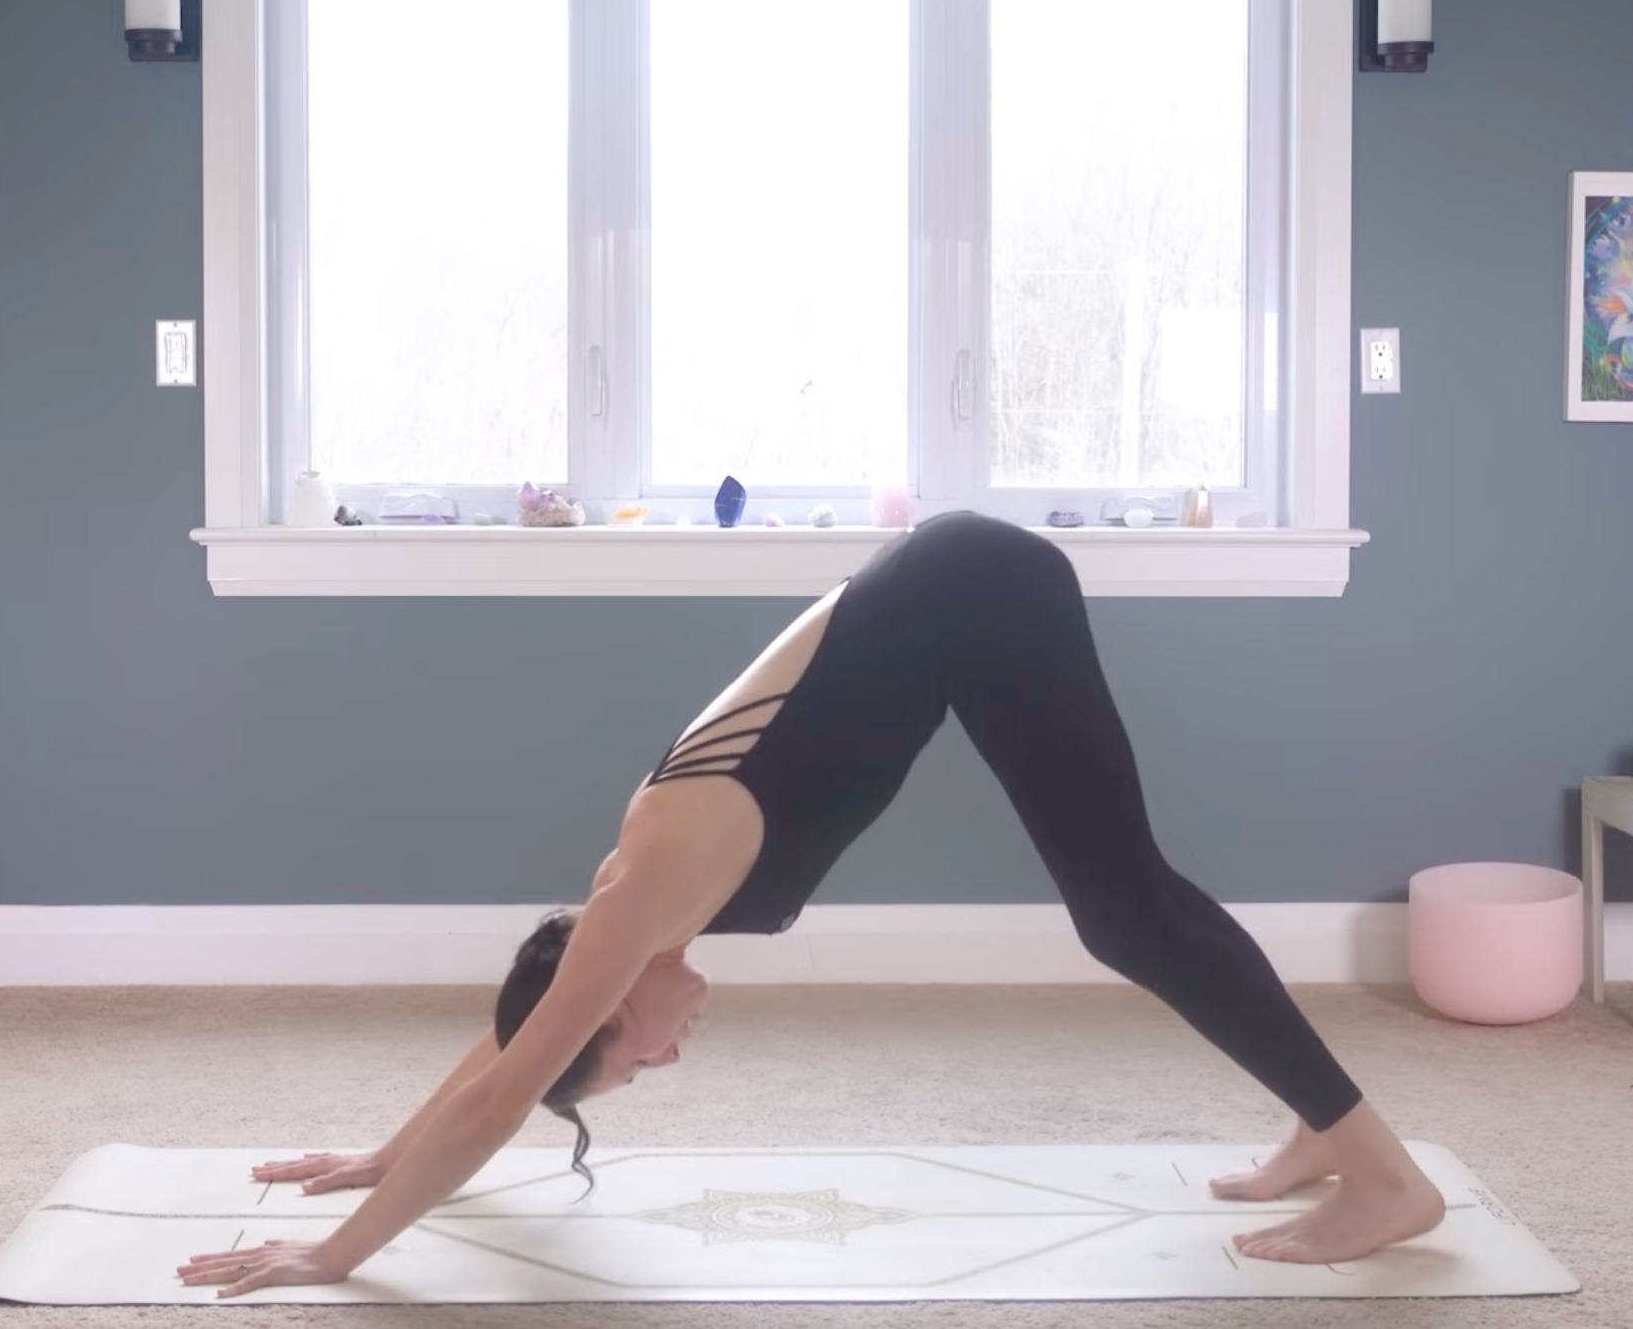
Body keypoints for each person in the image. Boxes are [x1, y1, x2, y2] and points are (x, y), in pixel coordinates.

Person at [176, 511, 1444, 1299]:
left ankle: (1386, 1182)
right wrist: (386, 1153)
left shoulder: (653, 888)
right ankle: (1325, 1128)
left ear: (613, 1004)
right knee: (1128, 903)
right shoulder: (628, 919)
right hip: (963, 595)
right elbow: (524, 1043)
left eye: (639, 1061)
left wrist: (337, 1258)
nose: (672, 1056)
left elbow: (513, 1090)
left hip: (977, 591)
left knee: (1125, 911)